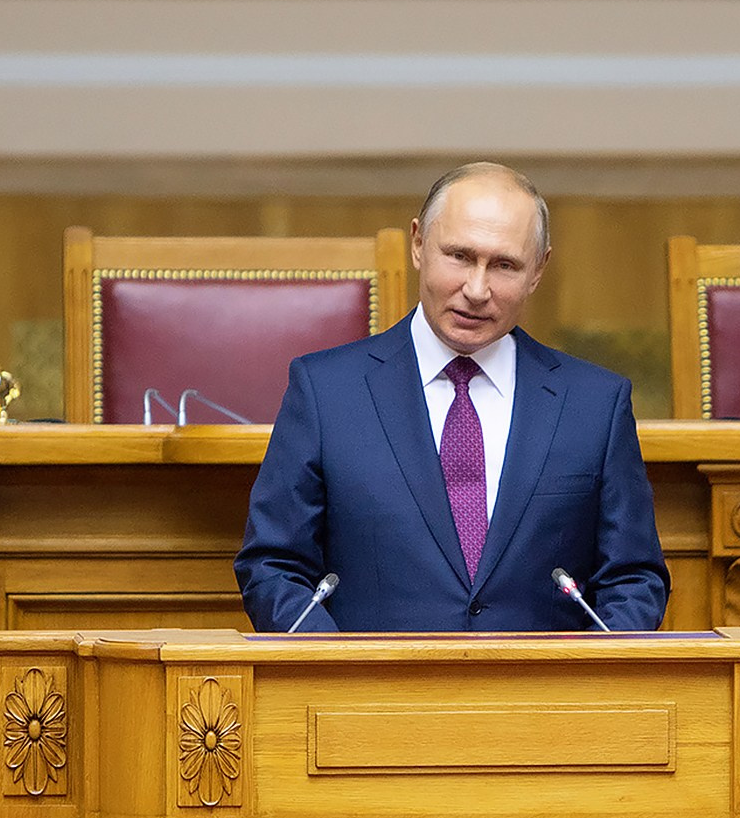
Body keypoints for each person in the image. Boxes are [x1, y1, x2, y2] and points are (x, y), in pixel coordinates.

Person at [236, 162, 668, 632]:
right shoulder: (325, 391)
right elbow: (273, 567)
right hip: (369, 696)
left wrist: (585, 685)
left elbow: (633, 579)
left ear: (538, 270)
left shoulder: (595, 404)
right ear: (419, 243)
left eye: (504, 265)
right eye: (459, 256)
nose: (477, 289)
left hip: (545, 699)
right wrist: (342, 673)